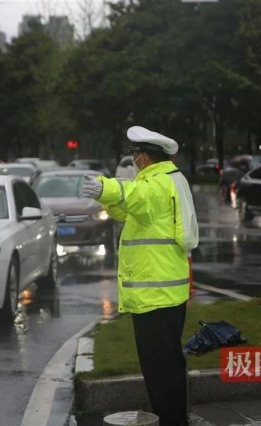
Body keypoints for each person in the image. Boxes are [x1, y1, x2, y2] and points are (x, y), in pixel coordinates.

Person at [82, 125, 199, 426]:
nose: (132, 159)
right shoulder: (164, 179)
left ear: (145, 157)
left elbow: (137, 197)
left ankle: (172, 421)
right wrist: (107, 198)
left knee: (162, 367)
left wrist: (105, 188)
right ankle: (169, 417)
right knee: (163, 365)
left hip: (156, 294)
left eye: (134, 153)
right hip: (160, 292)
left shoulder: (158, 184)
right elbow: (129, 208)